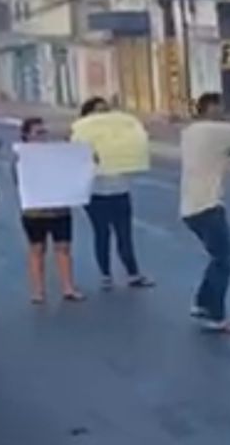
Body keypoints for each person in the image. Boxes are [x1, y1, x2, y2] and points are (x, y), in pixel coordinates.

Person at [179, 92, 230, 334]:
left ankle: (202, 303)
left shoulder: (190, 132)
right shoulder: (219, 130)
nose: (223, 111)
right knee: (224, 259)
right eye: (221, 107)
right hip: (208, 205)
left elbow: (226, 151)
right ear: (211, 107)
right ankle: (215, 315)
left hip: (190, 207)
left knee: (216, 257)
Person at [74, 97, 153, 289]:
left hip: (120, 190)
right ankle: (105, 275)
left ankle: (133, 273)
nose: (103, 115)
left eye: (106, 110)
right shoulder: (81, 136)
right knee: (102, 234)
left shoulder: (120, 135)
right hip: (95, 193)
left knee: (124, 234)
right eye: (99, 111)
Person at [15, 118, 83, 304]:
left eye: (44, 132)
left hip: (59, 210)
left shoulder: (56, 153)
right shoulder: (22, 157)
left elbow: (73, 170)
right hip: (34, 212)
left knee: (63, 248)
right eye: (38, 133)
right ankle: (38, 291)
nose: (42, 136)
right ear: (26, 136)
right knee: (37, 249)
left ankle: (68, 287)